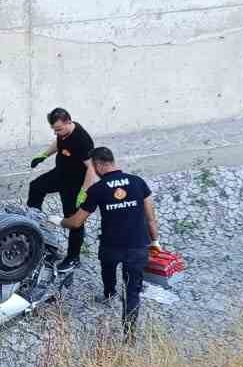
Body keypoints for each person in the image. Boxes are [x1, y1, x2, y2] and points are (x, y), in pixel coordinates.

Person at [61, 147, 162, 338]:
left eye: (93, 167)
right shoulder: (138, 182)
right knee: (132, 293)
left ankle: (108, 293)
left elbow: (76, 222)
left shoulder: (97, 189)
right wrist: (155, 241)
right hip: (137, 246)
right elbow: (150, 218)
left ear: (99, 164)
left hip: (111, 246)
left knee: (107, 269)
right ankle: (129, 337)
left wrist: (59, 221)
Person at [27, 107, 95, 271]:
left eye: (58, 129)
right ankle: (33, 224)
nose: (56, 132)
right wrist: (43, 155)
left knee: (74, 220)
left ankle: (73, 257)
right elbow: (58, 142)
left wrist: (83, 192)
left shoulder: (82, 140)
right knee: (36, 187)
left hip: (75, 184)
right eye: (54, 129)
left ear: (68, 122)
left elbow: (92, 169)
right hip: (60, 174)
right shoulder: (62, 133)